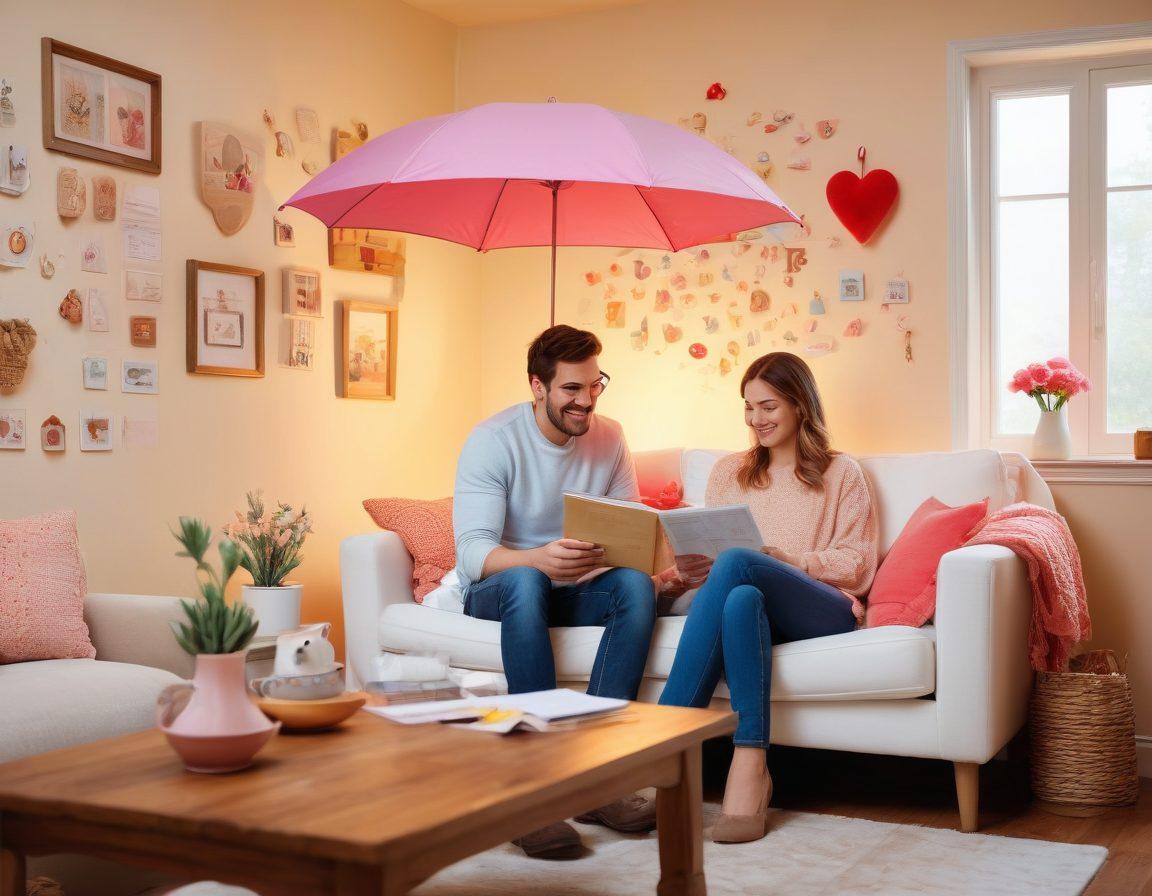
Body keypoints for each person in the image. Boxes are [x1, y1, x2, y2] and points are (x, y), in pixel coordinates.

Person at [454, 324, 659, 859]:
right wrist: (537, 559)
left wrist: (636, 559)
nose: (586, 401)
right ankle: (535, 792)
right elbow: (473, 553)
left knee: (635, 586)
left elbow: (631, 531)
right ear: (537, 386)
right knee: (528, 580)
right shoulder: (493, 440)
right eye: (571, 388)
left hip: (574, 586)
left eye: (595, 385)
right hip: (501, 587)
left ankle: (600, 778)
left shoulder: (610, 437)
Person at [657, 352, 879, 843]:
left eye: (768, 406)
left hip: (823, 606)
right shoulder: (728, 472)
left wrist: (790, 561)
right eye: (748, 406)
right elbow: (716, 558)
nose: (756, 419)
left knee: (740, 562)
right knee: (740, 598)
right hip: (750, 601)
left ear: (800, 404)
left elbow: (859, 564)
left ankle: (662, 740)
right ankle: (751, 766)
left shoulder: (842, 472)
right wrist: (689, 572)